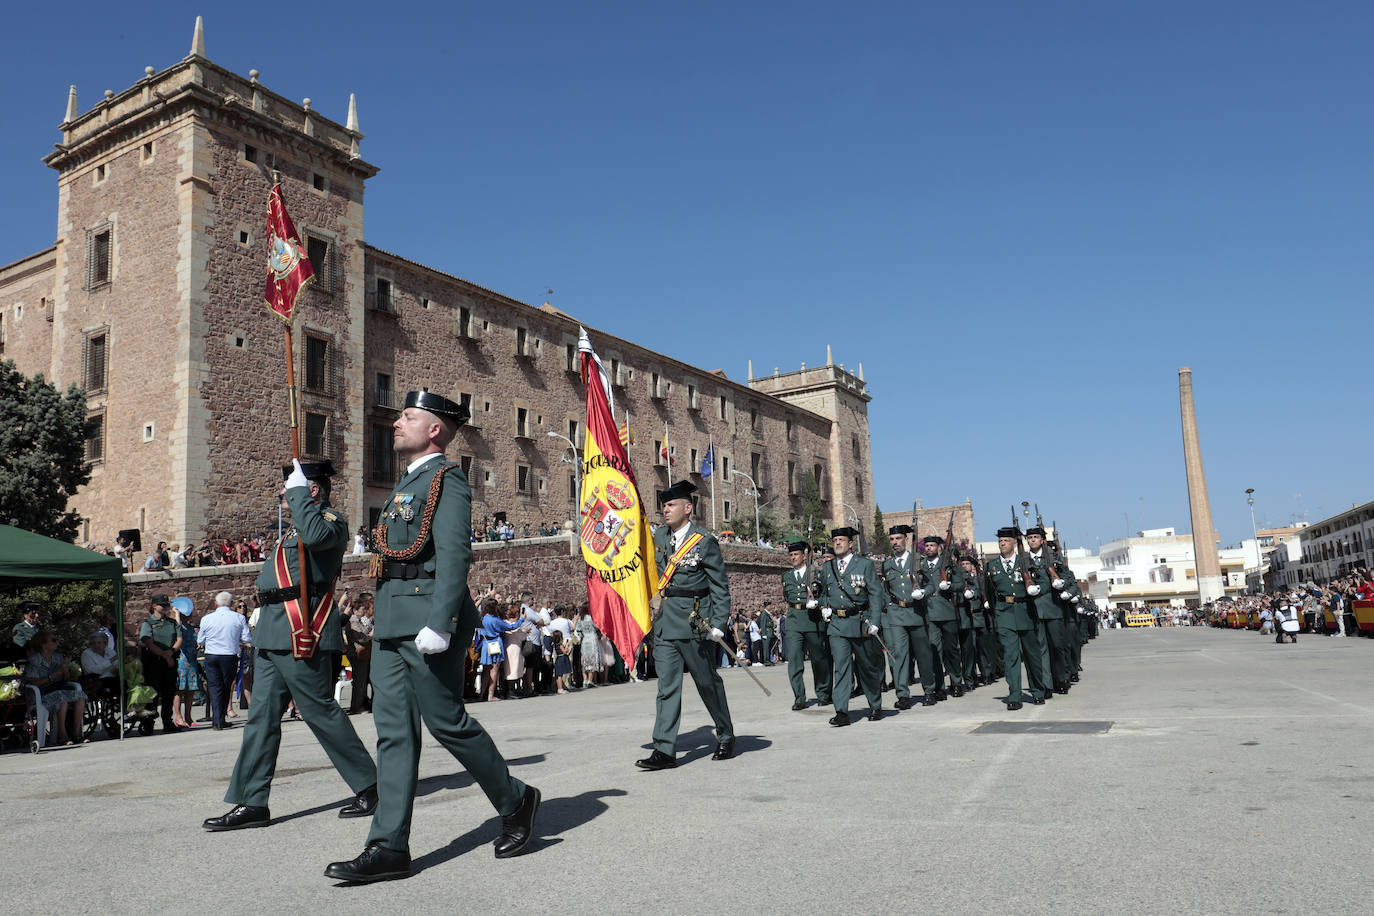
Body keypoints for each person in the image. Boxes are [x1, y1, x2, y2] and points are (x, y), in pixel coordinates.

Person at [326, 391, 539, 883]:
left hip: (425, 619)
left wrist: (441, 622)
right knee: (393, 733)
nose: (397, 422)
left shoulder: (448, 479)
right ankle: (388, 846)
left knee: (447, 722)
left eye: (408, 416)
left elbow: (454, 554)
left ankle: (516, 799)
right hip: (393, 618)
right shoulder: (409, 481)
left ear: (435, 430)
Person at [205, 460, 378, 835]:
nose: (283, 493)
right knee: (260, 719)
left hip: (303, 629)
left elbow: (315, 539)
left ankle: (371, 785)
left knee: (320, 713)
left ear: (311, 491)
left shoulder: (329, 522)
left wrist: (299, 493)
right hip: (273, 631)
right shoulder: (294, 529)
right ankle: (252, 800)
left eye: (291, 487)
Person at [636, 480, 735, 770]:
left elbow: (719, 586)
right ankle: (664, 750)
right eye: (664, 505)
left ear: (687, 508)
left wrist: (719, 622)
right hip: (666, 623)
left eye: (671, 505)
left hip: (695, 623)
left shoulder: (704, 542)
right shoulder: (659, 538)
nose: (665, 510)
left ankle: (726, 734)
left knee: (707, 683)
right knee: (667, 687)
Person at [816, 526, 885, 726]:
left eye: (841, 540)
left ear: (850, 543)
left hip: (860, 622)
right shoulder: (828, 568)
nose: (837, 543)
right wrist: (824, 607)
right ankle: (842, 711)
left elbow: (875, 593)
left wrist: (875, 621)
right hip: (837, 624)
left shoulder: (864, 565)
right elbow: (823, 594)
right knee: (842, 668)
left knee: (866, 666)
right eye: (835, 540)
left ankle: (875, 704)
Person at [983, 528, 1050, 711]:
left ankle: (1037, 691)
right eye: (1000, 541)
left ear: (1014, 543)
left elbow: (1044, 580)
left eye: (1005, 540)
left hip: (1026, 612)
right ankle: (1015, 695)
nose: (1002, 543)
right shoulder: (992, 566)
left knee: (1032, 656)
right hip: (1004, 614)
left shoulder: (1026, 561)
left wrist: (1037, 590)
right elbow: (989, 591)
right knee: (1010, 656)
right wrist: (995, 610)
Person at [879, 525, 935, 709]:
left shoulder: (918, 560)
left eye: (898, 538)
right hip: (897, 614)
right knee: (899, 655)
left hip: (916, 612)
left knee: (923, 655)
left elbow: (931, 584)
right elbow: (885, 590)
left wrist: (924, 593)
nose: (895, 542)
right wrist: (889, 605)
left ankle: (929, 690)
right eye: (892, 539)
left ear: (905, 539)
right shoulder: (887, 564)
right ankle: (902, 694)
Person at [780, 541, 831, 711]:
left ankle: (823, 693)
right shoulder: (787, 576)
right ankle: (799, 697)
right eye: (791, 555)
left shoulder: (816, 573)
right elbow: (787, 596)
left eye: (796, 554)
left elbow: (825, 594)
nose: (793, 558)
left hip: (813, 619)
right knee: (794, 659)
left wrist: (818, 603)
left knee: (819, 659)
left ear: (804, 556)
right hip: (794, 619)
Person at [916, 534, 964, 698]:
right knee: (934, 650)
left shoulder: (949, 564)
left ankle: (956, 681)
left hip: (947, 612)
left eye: (932, 545)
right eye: (927, 545)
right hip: (929, 613)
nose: (929, 548)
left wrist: (949, 586)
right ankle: (939, 686)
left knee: (951, 650)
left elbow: (960, 584)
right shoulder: (920, 565)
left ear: (939, 548)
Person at [198, 591, 253, 730]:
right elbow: (246, 638)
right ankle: (220, 718)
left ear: (216, 603)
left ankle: (217, 719)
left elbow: (200, 640)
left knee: (215, 687)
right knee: (226, 686)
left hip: (211, 655)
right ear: (231, 603)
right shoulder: (238, 618)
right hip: (229, 655)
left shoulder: (206, 619)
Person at [23, 630, 88, 745]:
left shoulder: (58, 657)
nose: (56, 642)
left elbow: (65, 680)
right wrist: (55, 674)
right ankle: (62, 735)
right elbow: (34, 684)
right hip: (40, 694)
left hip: (56, 690)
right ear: (43, 644)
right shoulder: (34, 660)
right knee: (61, 699)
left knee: (80, 696)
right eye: (53, 640)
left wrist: (66, 670)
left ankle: (77, 734)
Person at [138, 594, 182, 733]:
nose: (165, 608)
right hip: (154, 663)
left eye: (166, 605)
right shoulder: (148, 623)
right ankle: (149, 723)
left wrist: (170, 653)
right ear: (154, 606)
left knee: (169, 693)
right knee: (153, 694)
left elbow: (179, 639)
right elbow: (148, 642)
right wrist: (164, 655)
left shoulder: (172, 623)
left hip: (170, 661)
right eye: (162, 605)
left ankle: (167, 722)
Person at [170, 597, 203, 728]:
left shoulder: (190, 627)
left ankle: (188, 717)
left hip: (192, 660)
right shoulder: (178, 626)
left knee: (191, 690)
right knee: (179, 689)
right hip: (182, 661)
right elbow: (179, 630)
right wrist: (176, 614)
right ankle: (178, 717)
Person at [347, 593, 374, 714]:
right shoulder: (353, 621)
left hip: (363, 653)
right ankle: (356, 707)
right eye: (362, 609)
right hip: (357, 654)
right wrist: (371, 635)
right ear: (355, 610)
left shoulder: (359, 620)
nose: (364, 612)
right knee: (359, 682)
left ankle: (360, 705)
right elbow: (361, 638)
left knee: (362, 681)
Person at [575, 609, 603, 686]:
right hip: (592, 639)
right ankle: (590, 680)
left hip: (585, 640)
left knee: (585, 660)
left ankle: (585, 679)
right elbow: (597, 626)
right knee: (593, 659)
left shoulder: (581, 618)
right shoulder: (592, 617)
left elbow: (578, 629)